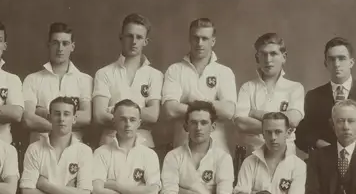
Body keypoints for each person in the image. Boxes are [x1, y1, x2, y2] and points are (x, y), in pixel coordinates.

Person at [161, 17, 237, 153]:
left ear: (213, 41)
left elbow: (228, 111)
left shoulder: (224, 72)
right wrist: (212, 107)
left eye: (205, 39)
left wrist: (190, 103)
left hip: (217, 151)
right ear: (190, 39)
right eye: (195, 38)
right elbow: (170, 110)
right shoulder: (175, 70)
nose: (199, 43)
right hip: (182, 149)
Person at [92, 13, 163, 148]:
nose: (134, 41)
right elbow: (99, 115)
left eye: (139, 37)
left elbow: (153, 115)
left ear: (145, 41)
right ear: (121, 37)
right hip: (110, 145)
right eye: (130, 36)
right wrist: (138, 115)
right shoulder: (104, 73)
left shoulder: (155, 75)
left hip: (144, 145)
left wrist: (114, 110)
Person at [234, 33, 305, 156]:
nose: (268, 60)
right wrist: (280, 126)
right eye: (263, 54)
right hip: (254, 155)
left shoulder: (295, 88)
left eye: (273, 54)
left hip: (286, 156)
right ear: (257, 58)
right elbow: (241, 124)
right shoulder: (248, 87)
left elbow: (293, 120)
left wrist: (256, 113)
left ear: (284, 57)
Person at [21, 22, 93, 143]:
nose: (60, 48)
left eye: (65, 44)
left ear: (72, 47)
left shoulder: (85, 80)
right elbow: (28, 119)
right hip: (39, 147)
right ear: (48, 45)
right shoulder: (32, 79)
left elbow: (86, 117)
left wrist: (42, 112)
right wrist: (65, 123)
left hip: (74, 149)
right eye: (55, 43)